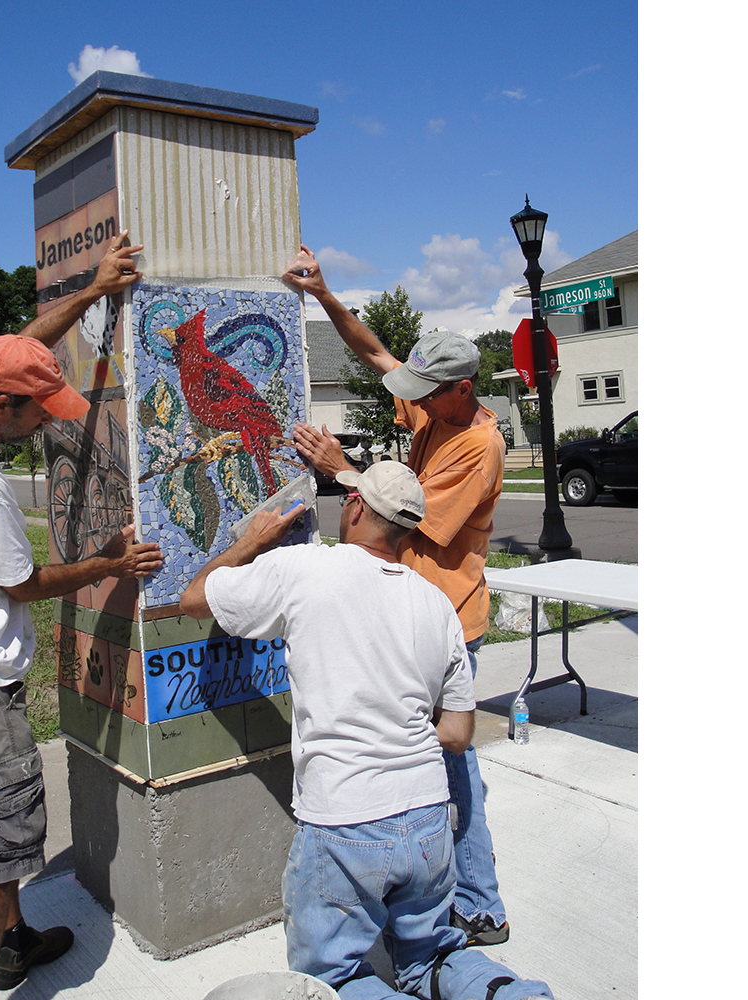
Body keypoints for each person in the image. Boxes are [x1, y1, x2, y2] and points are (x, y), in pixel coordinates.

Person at [0, 233, 163, 1000]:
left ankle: (13, 942)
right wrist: (110, 563)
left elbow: (21, 348)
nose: (47, 420)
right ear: (2, 405)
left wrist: (93, 292)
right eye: (38, 409)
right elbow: (23, 584)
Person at [178, 463, 552, 1000]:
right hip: (427, 819)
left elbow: (194, 599)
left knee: (332, 978)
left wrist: (254, 541)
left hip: (344, 821)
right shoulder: (437, 604)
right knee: (435, 956)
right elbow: (457, 733)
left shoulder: (304, 568)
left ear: (355, 508)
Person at [283, 245, 508, 946]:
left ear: (461, 389)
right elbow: (376, 353)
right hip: (409, 607)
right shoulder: (434, 410)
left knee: (451, 760)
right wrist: (325, 294)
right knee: (419, 754)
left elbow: (408, 518)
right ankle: (414, 882)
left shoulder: (479, 447)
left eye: (426, 391)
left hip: (447, 618)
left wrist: (343, 469)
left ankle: (481, 901)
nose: (413, 398)